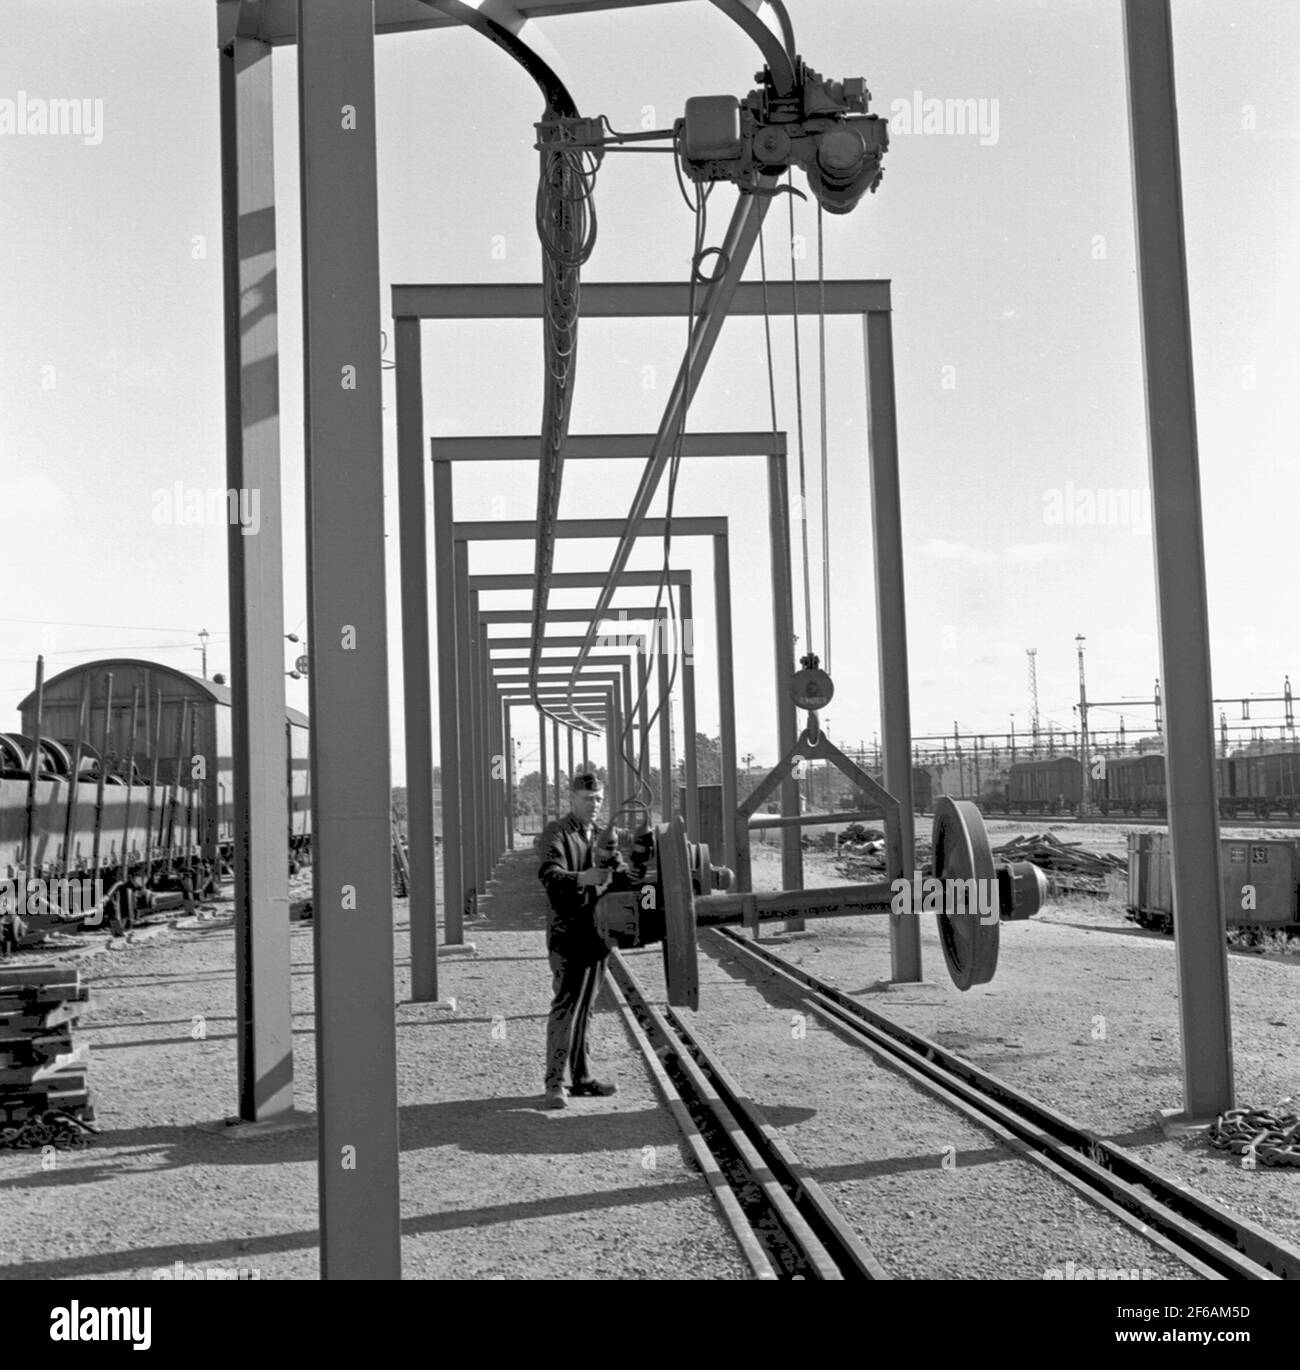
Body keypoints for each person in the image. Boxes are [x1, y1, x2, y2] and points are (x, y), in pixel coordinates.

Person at [536, 771, 626, 1110]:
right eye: (588, 799)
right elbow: (549, 875)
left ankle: (583, 1078)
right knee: (566, 1006)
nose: (595, 804)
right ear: (572, 799)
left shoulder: (604, 836)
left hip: (597, 936)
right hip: (567, 936)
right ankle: (554, 1084)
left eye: (599, 799)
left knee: (587, 1007)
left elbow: (620, 874)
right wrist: (582, 878)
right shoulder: (556, 833)